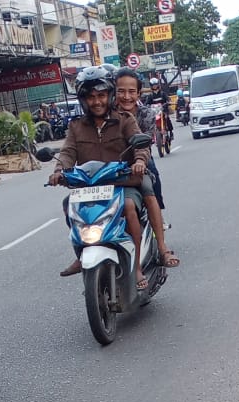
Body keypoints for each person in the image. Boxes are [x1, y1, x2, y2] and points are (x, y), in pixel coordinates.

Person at [51, 67, 178, 286]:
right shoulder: (76, 127)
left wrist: (139, 162)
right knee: (68, 204)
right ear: (83, 100)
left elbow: (140, 143)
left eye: (101, 95)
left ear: (109, 96)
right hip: (90, 187)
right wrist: (58, 171)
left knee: (128, 205)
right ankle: (82, 253)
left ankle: (136, 266)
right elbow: (68, 152)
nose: (97, 102)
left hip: (123, 182)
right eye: (90, 97)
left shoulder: (125, 120)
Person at [114, 68, 170, 221]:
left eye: (132, 92)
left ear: (138, 93)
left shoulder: (147, 114)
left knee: (152, 175)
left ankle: (158, 214)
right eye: (121, 91)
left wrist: (139, 161)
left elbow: (144, 142)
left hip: (140, 157)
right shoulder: (109, 114)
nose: (127, 97)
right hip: (114, 161)